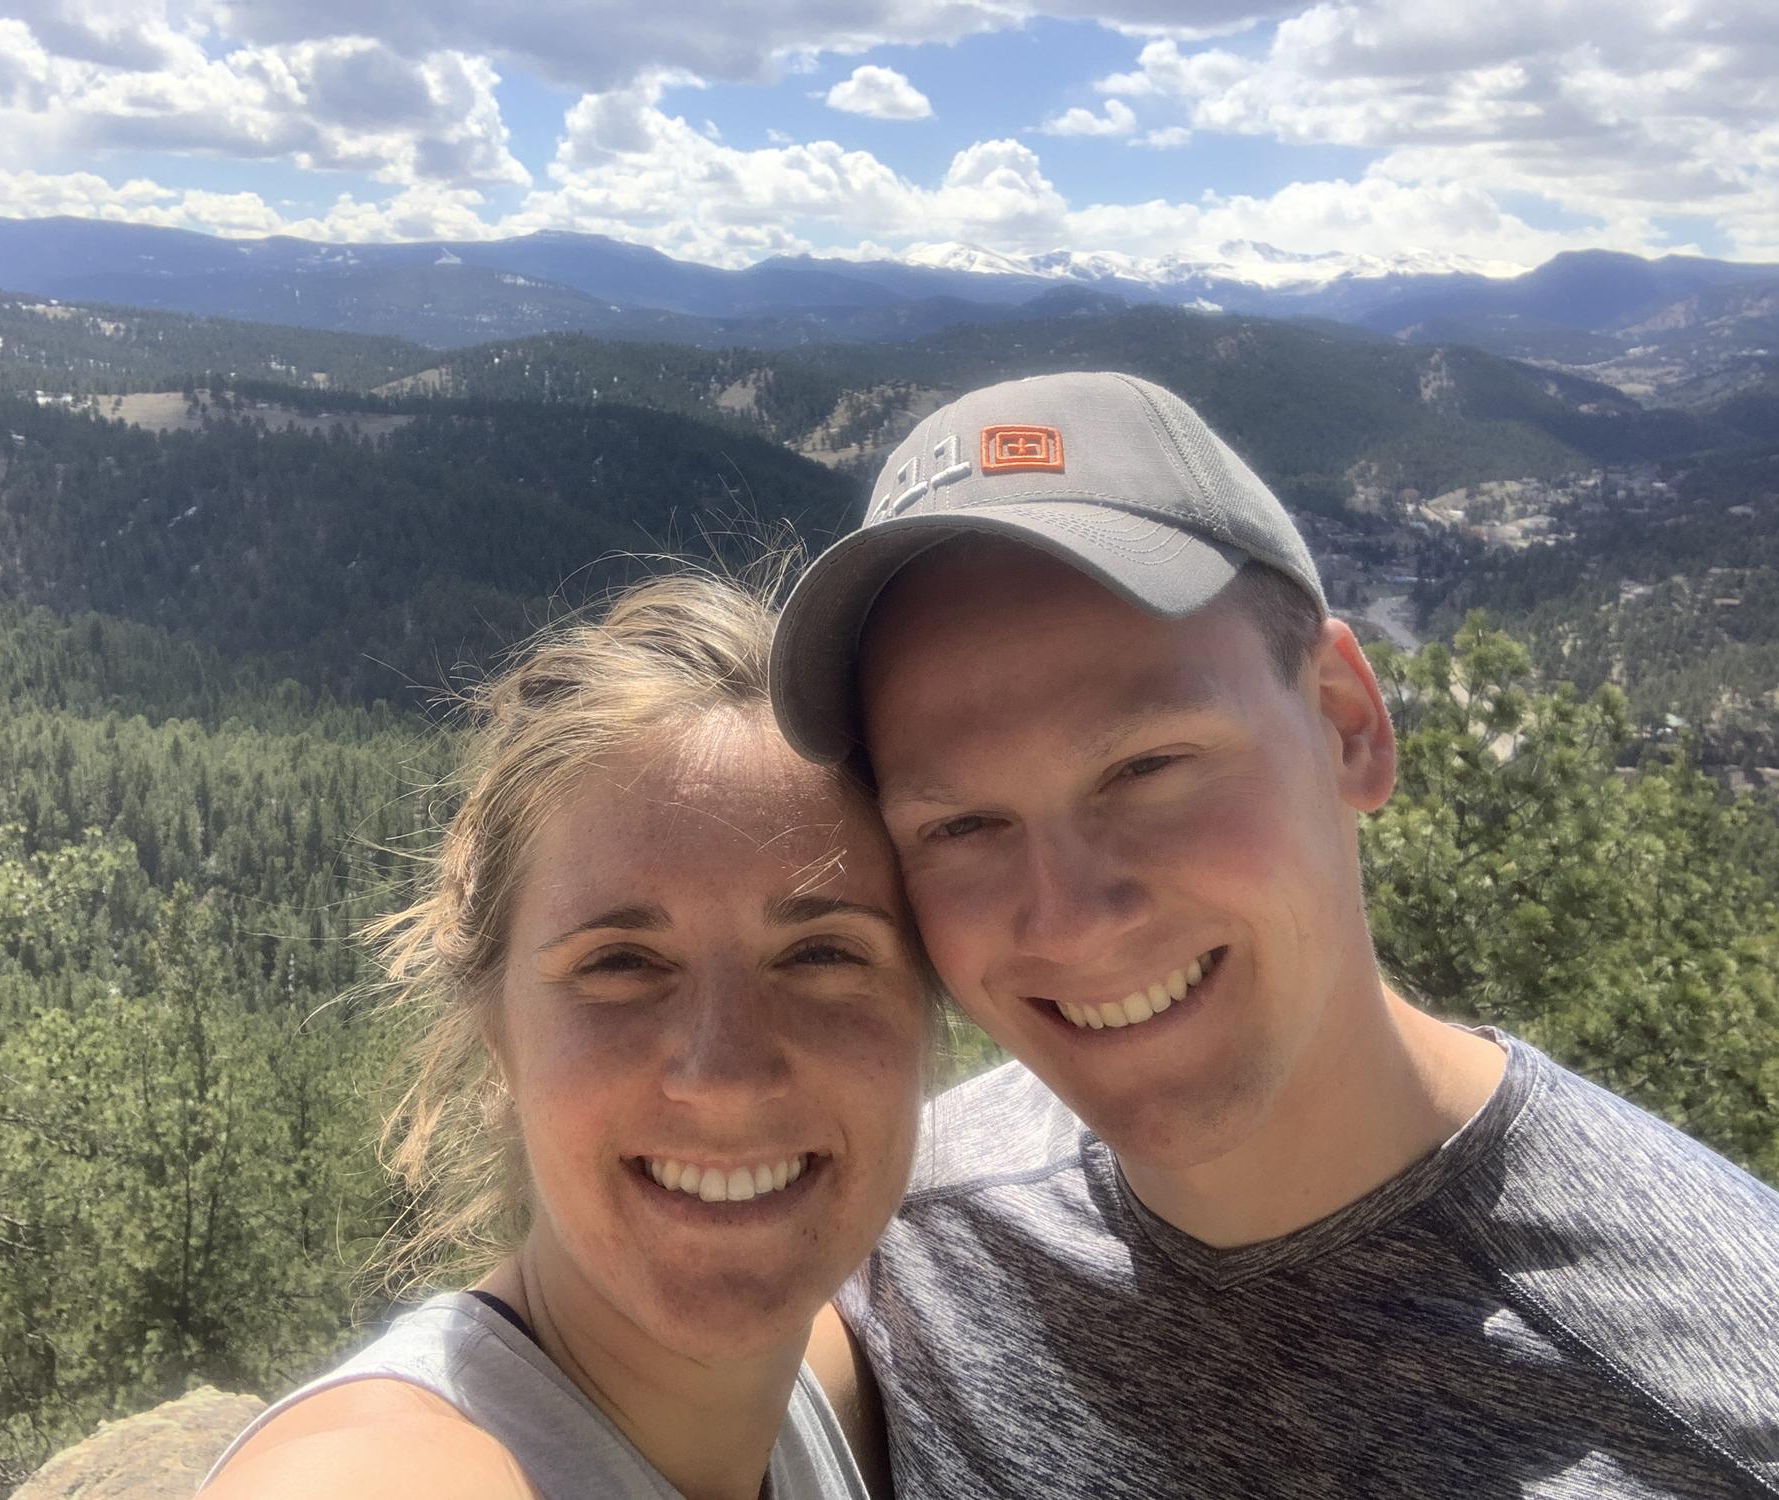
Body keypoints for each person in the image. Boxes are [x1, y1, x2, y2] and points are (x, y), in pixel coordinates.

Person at [769, 371, 1779, 1498]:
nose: (1068, 916)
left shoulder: (1720, 1404)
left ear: (1347, 725)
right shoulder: (903, 1239)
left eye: (1145, 767)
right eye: (960, 824)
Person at [202, 573, 931, 1500]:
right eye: (621, 963)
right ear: (493, 1025)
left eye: (822, 952)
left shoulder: (819, 1395)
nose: (726, 1075)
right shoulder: (389, 1468)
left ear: (929, 1011)